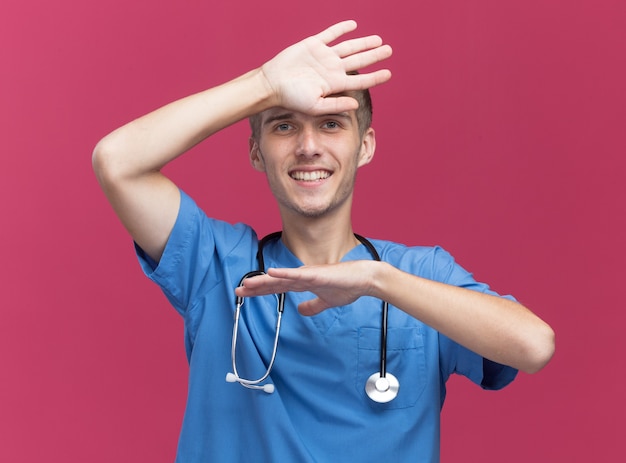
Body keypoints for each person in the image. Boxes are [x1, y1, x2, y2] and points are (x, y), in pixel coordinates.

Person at [92, 20, 555, 462]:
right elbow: (118, 161)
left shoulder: (417, 276)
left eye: (332, 124)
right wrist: (264, 84)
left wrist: (378, 282)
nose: (308, 145)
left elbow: (533, 346)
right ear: (257, 152)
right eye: (283, 125)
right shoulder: (215, 267)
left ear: (366, 145)